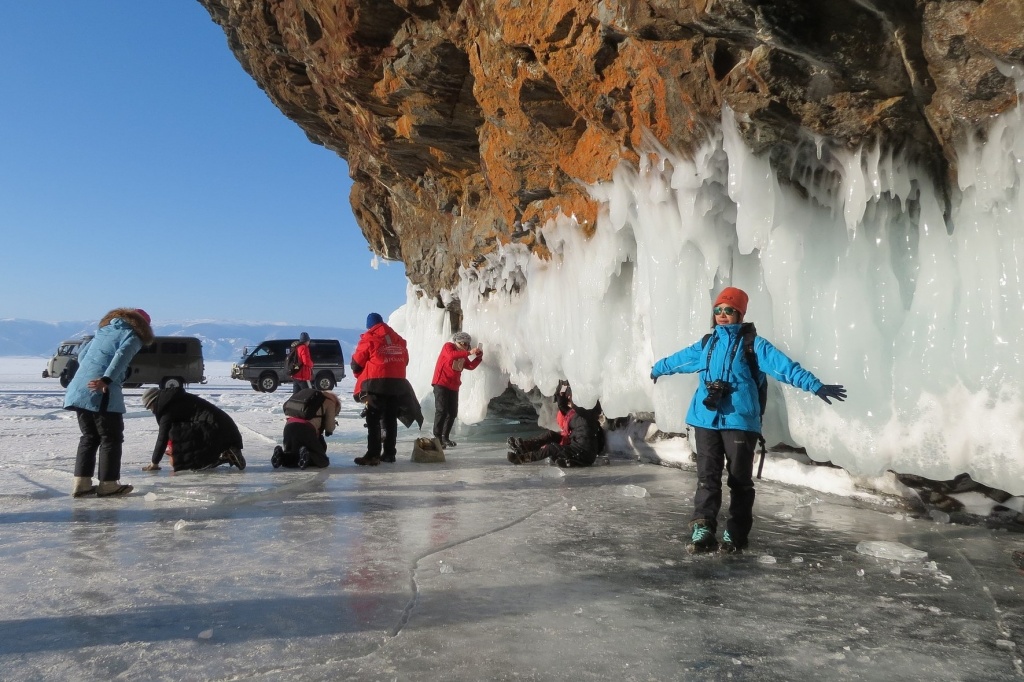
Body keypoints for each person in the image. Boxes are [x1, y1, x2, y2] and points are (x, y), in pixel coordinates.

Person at [650, 286, 847, 554]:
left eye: (729, 310)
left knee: (739, 481)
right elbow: (680, 360)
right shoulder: (707, 344)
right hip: (705, 420)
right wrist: (658, 368)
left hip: (740, 421)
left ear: (740, 314)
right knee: (707, 478)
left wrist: (815, 385)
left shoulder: (754, 344)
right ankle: (703, 528)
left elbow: (784, 367)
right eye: (718, 310)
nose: (722, 315)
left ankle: (735, 534)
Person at [64, 307, 154, 497]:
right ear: (143, 325)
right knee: (111, 437)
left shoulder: (103, 331)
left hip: (79, 388)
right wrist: (106, 379)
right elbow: (122, 355)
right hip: (101, 390)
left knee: (89, 437)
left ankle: (81, 484)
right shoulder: (133, 335)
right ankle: (108, 484)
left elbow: (81, 356)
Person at [350, 312, 423, 466]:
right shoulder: (398, 340)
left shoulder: (369, 338)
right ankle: (389, 454)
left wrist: (361, 375)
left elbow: (356, 363)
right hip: (397, 384)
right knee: (390, 419)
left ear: (369, 326)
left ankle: (373, 455)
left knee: (374, 419)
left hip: (376, 383)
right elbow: (405, 361)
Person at [140, 386, 246, 472]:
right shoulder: (174, 399)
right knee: (180, 433)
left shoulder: (167, 408)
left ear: (154, 401)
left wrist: (154, 462)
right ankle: (225, 453)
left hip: (216, 429)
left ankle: (217, 456)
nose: (152, 410)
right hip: (223, 428)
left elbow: (162, 437)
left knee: (176, 435)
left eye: (150, 407)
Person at [506, 381, 604, 467]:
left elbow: (573, 407)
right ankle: (526, 446)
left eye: (571, 397)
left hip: (583, 453)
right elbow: (562, 405)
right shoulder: (575, 415)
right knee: (551, 435)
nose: (569, 398)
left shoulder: (585, 415)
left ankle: (522, 459)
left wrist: (573, 390)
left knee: (551, 448)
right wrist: (563, 387)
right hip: (575, 445)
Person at [431, 331, 483, 448]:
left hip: (453, 386)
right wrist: (469, 352)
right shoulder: (448, 346)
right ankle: (437, 437)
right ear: (457, 342)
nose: (465, 345)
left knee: (452, 412)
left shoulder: (463, 355)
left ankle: (445, 437)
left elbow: (470, 366)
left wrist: (478, 358)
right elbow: (451, 355)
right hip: (441, 383)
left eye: (467, 344)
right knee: (441, 410)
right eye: (462, 343)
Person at [272, 389, 341, 469]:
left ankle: (281, 456)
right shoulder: (329, 401)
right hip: (306, 428)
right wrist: (329, 429)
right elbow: (329, 427)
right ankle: (309, 455)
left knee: (293, 455)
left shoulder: (307, 398)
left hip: (289, 427)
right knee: (323, 461)